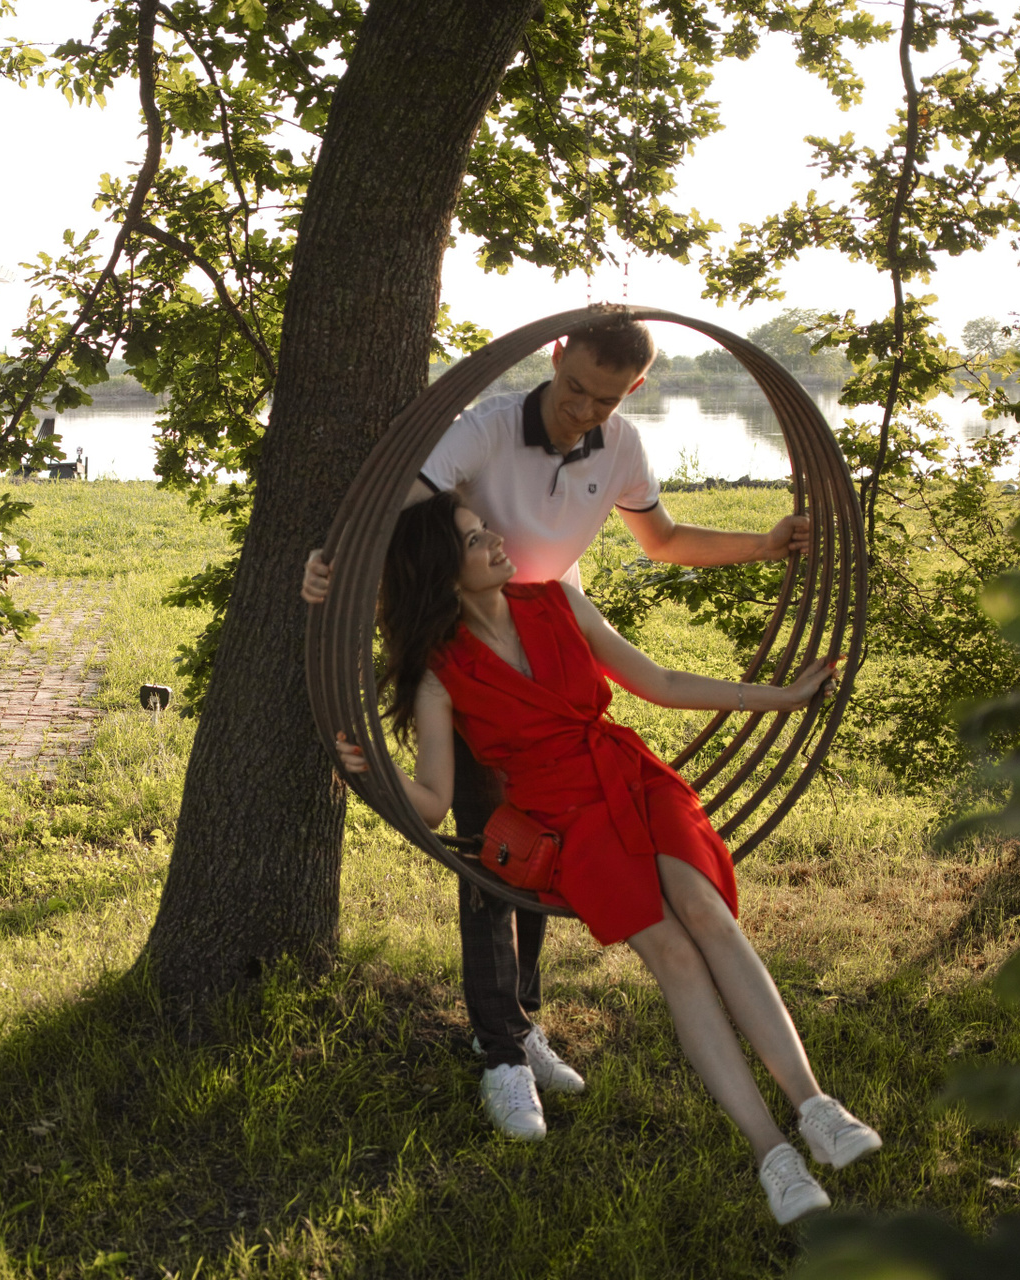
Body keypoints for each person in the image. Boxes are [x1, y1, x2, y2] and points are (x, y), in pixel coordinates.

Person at [301, 307, 812, 1140]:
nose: (582, 409)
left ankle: (523, 1019)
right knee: (491, 859)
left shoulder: (622, 448)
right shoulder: (488, 430)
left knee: (545, 855)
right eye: (574, 388)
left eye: (604, 399)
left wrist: (764, 544)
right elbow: (400, 510)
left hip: (550, 642)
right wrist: (329, 560)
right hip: (472, 653)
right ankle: (500, 1050)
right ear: (556, 355)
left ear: (633, 390)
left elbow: (662, 540)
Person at [336, 493, 880, 1224]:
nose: (496, 540)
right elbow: (432, 802)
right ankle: (771, 1155)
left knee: (706, 913)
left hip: (635, 779)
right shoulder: (441, 671)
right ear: (442, 570)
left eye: (487, 528)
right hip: (566, 820)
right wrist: (373, 770)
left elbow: (661, 684)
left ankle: (816, 1109)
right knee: (673, 956)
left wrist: (779, 697)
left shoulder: (558, 602)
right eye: (473, 540)